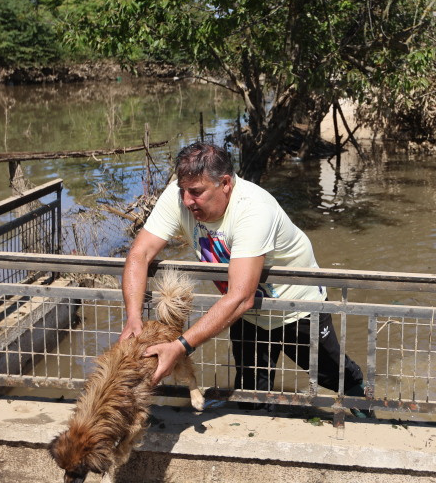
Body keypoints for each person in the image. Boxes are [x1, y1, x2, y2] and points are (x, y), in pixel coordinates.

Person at [120, 142, 366, 410]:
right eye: (183, 191)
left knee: (332, 374)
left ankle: (365, 406)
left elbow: (241, 296)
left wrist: (179, 347)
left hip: (297, 305)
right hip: (246, 313)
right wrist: (133, 318)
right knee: (250, 390)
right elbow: (140, 254)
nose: (187, 200)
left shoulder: (253, 208)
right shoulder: (179, 196)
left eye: (196, 192)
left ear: (225, 183)